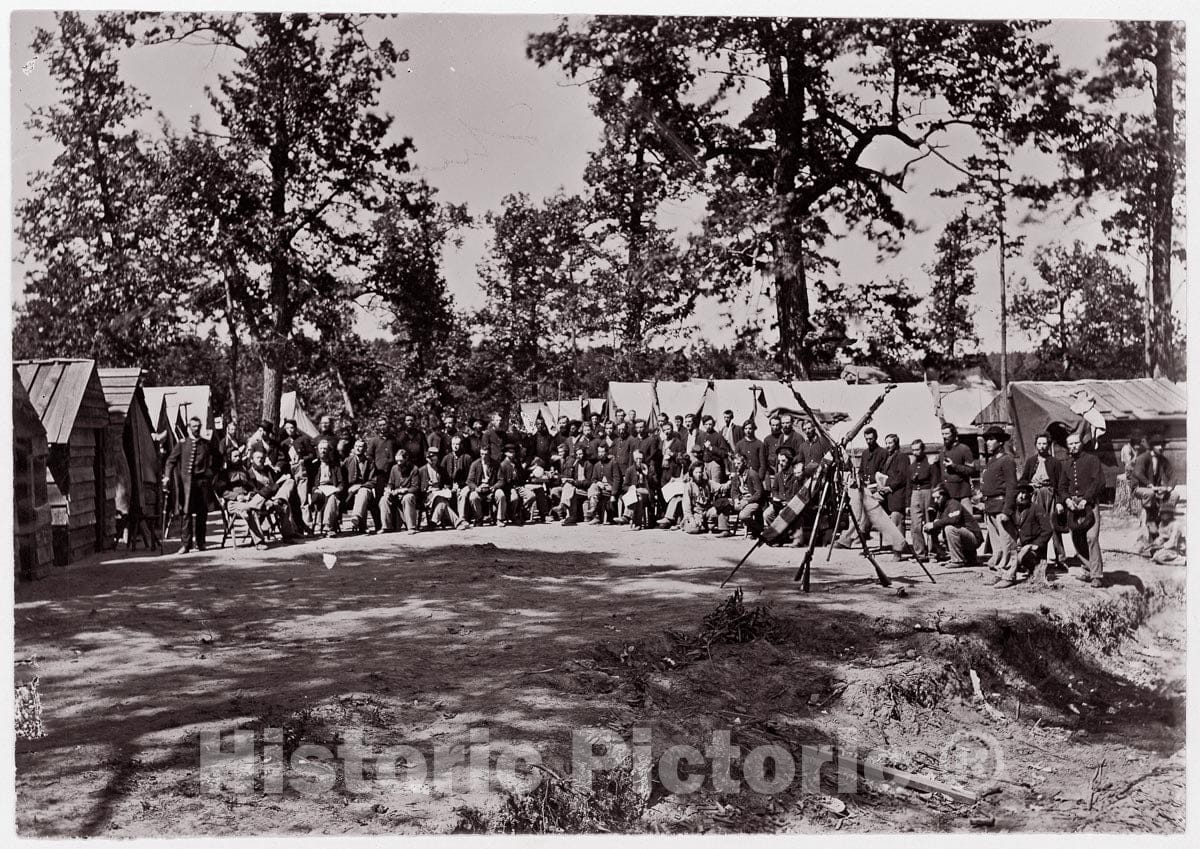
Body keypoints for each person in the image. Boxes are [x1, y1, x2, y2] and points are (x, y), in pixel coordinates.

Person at [164, 416, 217, 554]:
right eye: (194, 426)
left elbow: (218, 457)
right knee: (186, 514)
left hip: (203, 484)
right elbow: (170, 461)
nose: (197, 429)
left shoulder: (206, 444)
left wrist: (211, 471)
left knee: (202, 514)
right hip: (187, 485)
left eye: (199, 426)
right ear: (189, 427)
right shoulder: (182, 444)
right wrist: (167, 477)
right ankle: (186, 545)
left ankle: (201, 543)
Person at [1058, 432, 1105, 586]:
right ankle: (1087, 569)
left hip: (1089, 504)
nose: (1073, 446)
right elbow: (1062, 487)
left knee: (1091, 537)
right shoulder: (1066, 464)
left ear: (1081, 443)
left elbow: (1098, 482)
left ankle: (1096, 575)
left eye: (1076, 443)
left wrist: (1086, 499)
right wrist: (1067, 500)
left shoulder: (1092, 460)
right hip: (1072, 505)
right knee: (1077, 540)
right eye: (1070, 444)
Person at [1019, 432, 1067, 570]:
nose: (1042, 446)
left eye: (1044, 443)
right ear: (1036, 445)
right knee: (1037, 527)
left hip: (1050, 494)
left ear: (1048, 445)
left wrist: (1059, 502)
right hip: (1035, 495)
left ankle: (1061, 559)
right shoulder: (1031, 461)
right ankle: (1039, 559)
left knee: (1053, 526)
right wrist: (1028, 486)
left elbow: (1060, 484)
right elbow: (1023, 479)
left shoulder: (1055, 462)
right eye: (1039, 444)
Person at [992, 483, 1055, 587]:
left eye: (1024, 493)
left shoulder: (1037, 509)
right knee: (995, 559)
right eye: (1019, 493)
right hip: (1019, 547)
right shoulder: (1013, 511)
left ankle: (1009, 577)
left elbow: (1047, 530)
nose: (1022, 496)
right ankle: (1001, 574)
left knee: (1021, 556)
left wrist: (1034, 545)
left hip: (1033, 550)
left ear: (1030, 495)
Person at [979, 426, 1018, 576]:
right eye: (987, 439)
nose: (988, 442)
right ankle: (999, 572)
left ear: (1000, 442)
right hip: (991, 507)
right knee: (998, 546)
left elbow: (1012, 487)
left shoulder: (1007, 460)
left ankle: (1009, 575)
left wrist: (1007, 511)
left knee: (1008, 543)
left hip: (1001, 508)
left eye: (991, 439)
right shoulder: (992, 461)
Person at [1131, 435, 1177, 554]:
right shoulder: (1143, 457)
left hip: (1154, 489)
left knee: (1174, 495)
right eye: (1158, 445)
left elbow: (1172, 475)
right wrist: (1149, 484)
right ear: (1152, 446)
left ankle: (1164, 526)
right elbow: (1138, 473)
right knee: (1150, 494)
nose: (1161, 447)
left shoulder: (1163, 460)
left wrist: (1169, 488)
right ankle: (1150, 520)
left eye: (1162, 445)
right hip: (1140, 488)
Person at [924, 485, 984, 568]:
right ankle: (960, 557)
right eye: (934, 498)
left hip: (973, 538)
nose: (935, 501)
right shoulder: (941, 506)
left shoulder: (954, 503)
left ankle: (957, 560)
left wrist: (934, 524)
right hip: (964, 537)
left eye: (938, 498)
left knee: (949, 529)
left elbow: (953, 520)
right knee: (935, 529)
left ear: (944, 495)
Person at [421, 445, 469, 530]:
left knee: (442, 502)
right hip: (427, 496)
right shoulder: (422, 470)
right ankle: (457, 522)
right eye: (430, 459)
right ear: (427, 459)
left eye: (434, 459)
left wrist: (446, 488)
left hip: (440, 494)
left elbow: (447, 483)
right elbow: (419, 488)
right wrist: (428, 487)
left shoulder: (441, 469)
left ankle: (433, 522)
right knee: (442, 501)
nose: (432, 462)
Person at [878, 433, 910, 556]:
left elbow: (902, 477)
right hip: (888, 495)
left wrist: (889, 488)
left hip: (897, 494)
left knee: (897, 521)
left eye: (890, 443)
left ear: (896, 443)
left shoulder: (902, 457)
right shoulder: (888, 457)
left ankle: (898, 552)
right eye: (886, 443)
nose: (888, 446)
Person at [310, 439, 348, 537]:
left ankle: (327, 525)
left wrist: (338, 489)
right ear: (318, 450)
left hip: (332, 490)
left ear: (329, 451)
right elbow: (310, 483)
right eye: (321, 449)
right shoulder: (314, 465)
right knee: (329, 497)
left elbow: (341, 482)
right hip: (319, 491)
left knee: (333, 497)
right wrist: (315, 489)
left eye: (325, 449)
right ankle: (329, 526)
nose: (323, 451)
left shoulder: (335, 466)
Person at [342, 439, 380, 534]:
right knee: (361, 493)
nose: (358, 449)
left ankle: (356, 517)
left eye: (361, 446)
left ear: (365, 448)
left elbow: (373, 481)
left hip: (366, 491)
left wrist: (360, 486)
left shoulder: (370, 462)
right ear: (353, 448)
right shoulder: (347, 461)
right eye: (356, 446)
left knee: (363, 492)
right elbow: (342, 479)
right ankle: (361, 525)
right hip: (349, 493)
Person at [682, 462, 730, 537]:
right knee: (693, 529)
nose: (699, 474)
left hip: (708, 511)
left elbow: (720, 487)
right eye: (696, 472)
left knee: (723, 505)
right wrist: (691, 519)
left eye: (700, 472)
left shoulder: (708, 482)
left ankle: (721, 528)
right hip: (696, 513)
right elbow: (686, 506)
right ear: (692, 473)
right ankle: (690, 524)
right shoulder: (689, 486)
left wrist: (729, 483)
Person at [382, 447, 423, 534]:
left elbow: (416, 487)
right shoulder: (394, 468)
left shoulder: (414, 469)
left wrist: (404, 490)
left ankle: (411, 527)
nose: (399, 463)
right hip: (396, 495)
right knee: (384, 499)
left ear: (406, 459)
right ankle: (386, 526)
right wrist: (388, 489)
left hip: (409, 494)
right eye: (397, 461)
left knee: (408, 498)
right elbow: (390, 483)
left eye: (401, 461)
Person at [907, 439, 936, 559]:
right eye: (913, 450)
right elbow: (909, 484)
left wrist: (933, 502)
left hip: (927, 491)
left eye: (917, 449)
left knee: (930, 523)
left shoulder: (930, 463)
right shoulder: (912, 466)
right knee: (915, 525)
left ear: (923, 450)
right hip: (915, 493)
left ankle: (933, 552)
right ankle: (920, 553)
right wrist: (907, 504)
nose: (915, 452)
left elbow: (935, 482)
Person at [938, 423, 977, 513]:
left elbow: (971, 470)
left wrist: (954, 466)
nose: (944, 437)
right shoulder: (942, 451)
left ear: (954, 434)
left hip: (962, 495)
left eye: (947, 434)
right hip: (948, 496)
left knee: (967, 523)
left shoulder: (964, 449)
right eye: (942, 434)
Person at [728, 451, 765, 536]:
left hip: (752, 500)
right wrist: (736, 500)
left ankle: (757, 528)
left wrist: (746, 502)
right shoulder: (736, 476)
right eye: (735, 464)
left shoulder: (752, 474)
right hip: (741, 499)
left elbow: (759, 493)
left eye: (739, 463)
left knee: (743, 516)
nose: (736, 466)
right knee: (724, 504)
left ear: (744, 463)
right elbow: (734, 490)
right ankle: (724, 529)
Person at [441, 435, 475, 523]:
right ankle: (449, 518)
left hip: (465, 484)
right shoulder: (446, 458)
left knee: (462, 493)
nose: (455, 446)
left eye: (458, 444)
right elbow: (443, 475)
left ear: (462, 445)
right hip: (450, 485)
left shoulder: (467, 458)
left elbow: (470, 476)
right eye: (453, 444)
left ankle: (462, 518)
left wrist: (461, 484)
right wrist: (448, 486)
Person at [621, 450, 658, 529]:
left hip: (647, 494)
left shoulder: (649, 468)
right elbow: (624, 486)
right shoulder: (630, 470)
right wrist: (630, 488)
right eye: (637, 458)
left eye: (640, 458)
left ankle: (627, 516)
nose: (639, 461)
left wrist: (647, 475)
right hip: (636, 494)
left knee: (637, 494)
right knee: (639, 498)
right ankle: (637, 524)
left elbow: (655, 484)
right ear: (634, 459)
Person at [587, 442, 622, 524]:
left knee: (595, 490)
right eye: (599, 452)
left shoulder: (613, 463)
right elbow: (593, 479)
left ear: (606, 453)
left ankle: (596, 512)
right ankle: (594, 512)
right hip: (600, 488)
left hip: (611, 487)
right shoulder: (597, 465)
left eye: (603, 452)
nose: (601, 454)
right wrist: (598, 482)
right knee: (593, 487)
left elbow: (617, 479)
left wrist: (613, 494)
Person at [466, 450, 503, 526]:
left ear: (489, 454)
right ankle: (479, 518)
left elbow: (501, 480)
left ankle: (500, 519)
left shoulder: (496, 464)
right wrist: (476, 488)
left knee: (501, 494)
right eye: (482, 454)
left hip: (491, 488)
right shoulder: (475, 464)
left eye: (486, 454)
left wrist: (494, 487)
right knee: (473, 497)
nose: (484, 456)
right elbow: (469, 481)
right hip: (480, 488)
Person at [1146, 502, 1186, 566]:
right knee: (1152, 551)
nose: (1162, 515)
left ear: (1170, 514)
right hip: (1168, 547)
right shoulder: (1162, 523)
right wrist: (1155, 543)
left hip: (1177, 549)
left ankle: (1182, 560)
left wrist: (1160, 547)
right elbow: (1162, 537)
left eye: (1165, 513)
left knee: (1159, 558)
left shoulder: (1176, 525)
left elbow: (1173, 543)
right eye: (1161, 513)